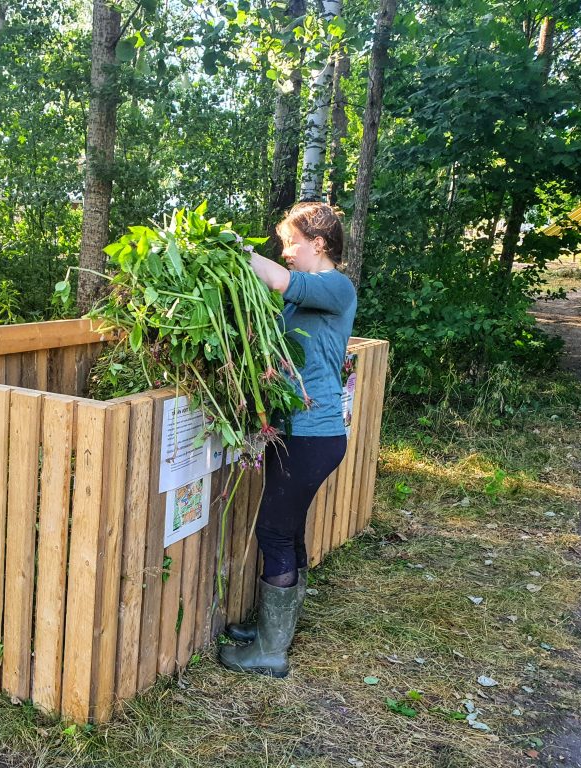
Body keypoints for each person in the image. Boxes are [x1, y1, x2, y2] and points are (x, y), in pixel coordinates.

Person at [218, 201, 357, 677]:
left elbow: (277, 280)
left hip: (313, 436)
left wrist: (235, 252)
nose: (286, 252)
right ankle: (271, 630)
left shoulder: (336, 285)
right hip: (295, 431)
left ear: (319, 243)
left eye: (291, 242)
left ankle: (271, 653)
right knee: (288, 529)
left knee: (274, 530)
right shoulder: (303, 300)